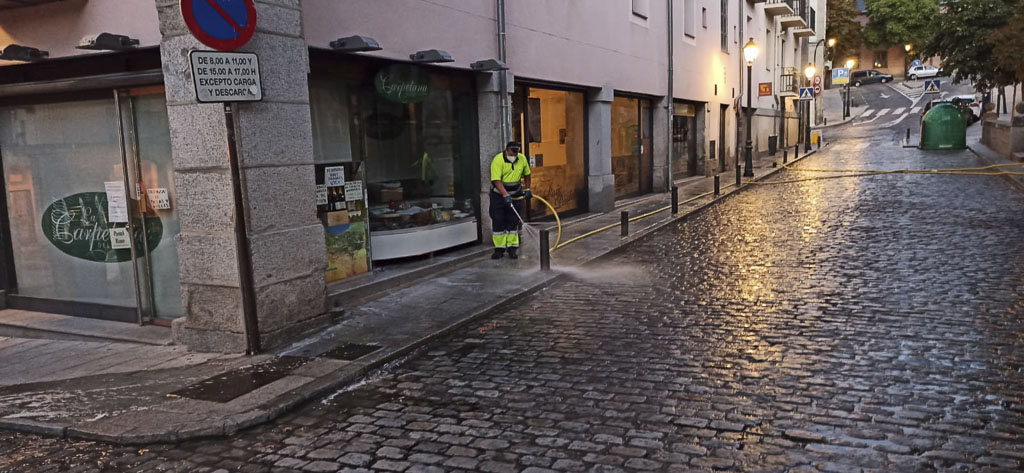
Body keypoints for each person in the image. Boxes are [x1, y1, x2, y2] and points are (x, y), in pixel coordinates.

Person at [489, 141, 532, 259]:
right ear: (507, 150)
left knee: (513, 221)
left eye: (516, 153)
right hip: (498, 195)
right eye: (512, 153)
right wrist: (505, 194)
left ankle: (512, 249)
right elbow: (496, 181)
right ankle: (499, 249)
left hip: (516, 194)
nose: (514, 155)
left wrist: (528, 188)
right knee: (498, 220)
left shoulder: (522, 159)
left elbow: (527, 174)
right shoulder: (498, 160)